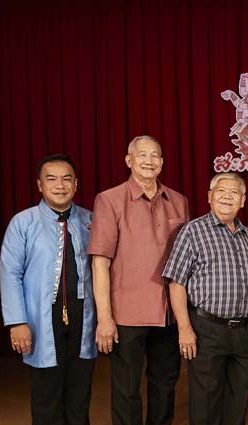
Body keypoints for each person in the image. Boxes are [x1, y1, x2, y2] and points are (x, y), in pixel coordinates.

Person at [88, 135, 190, 425]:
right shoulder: (109, 200)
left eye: (155, 155)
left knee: (164, 385)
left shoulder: (179, 201)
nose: (149, 160)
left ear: (162, 162)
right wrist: (105, 318)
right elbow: (100, 262)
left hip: (168, 312)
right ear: (128, 160)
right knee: (126, 389)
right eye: (142, 155)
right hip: (126, 314)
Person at [0, 154, 97, 425]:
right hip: (40, 318)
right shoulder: (23, 222)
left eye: (67, 179)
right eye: (51, 179)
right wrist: (17, 322)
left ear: (76, 184)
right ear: (39, 185)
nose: (60, 185)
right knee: (46, 394)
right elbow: (9, 273)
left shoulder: (91, 220)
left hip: (83, 316)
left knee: (80, 394)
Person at [162, 173, 248, 425]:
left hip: (245, 332)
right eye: (221, 191)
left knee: (238, 401)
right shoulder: (192, 232)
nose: (227, 196)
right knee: (205, 403)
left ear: (243, 200)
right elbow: (176, 283)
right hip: (207, 330)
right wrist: (184, 329)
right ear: (209, 197)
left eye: (234, 192)